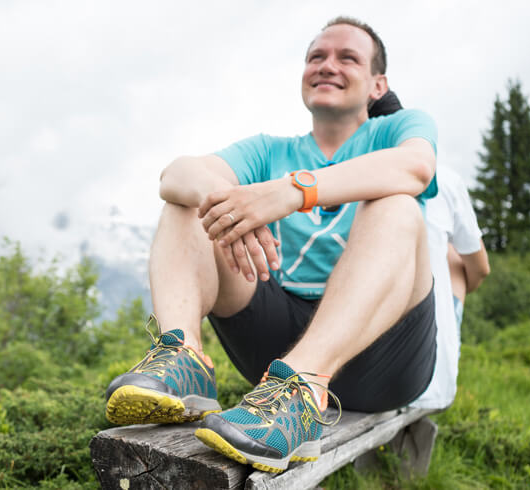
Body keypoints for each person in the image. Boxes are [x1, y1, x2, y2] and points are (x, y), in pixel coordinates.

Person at [105, 16, 439, 473]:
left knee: (397, 204)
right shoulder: (269, 149)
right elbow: (175, 174)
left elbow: (417, 167)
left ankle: (305, 390)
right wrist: (228, 206)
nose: (328, 65)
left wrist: (289, 192)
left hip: (384, 356)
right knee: (187, 203)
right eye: (316, 56)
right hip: (276, 356)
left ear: (377, 83)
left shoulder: (399, 128)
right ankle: (183, 359)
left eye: (347, 57)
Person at [366, 90, 490, 409]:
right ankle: (448, 320)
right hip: (429, 377)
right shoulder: (446, 179)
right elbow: (480, 268)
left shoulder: (348, 175)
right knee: (451, 258)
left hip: (368, 373)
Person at [411, 166, 490, 409]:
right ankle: (447, 329)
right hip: (426, 383)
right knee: (454, 254)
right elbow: (481, 269)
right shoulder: (445, 179)